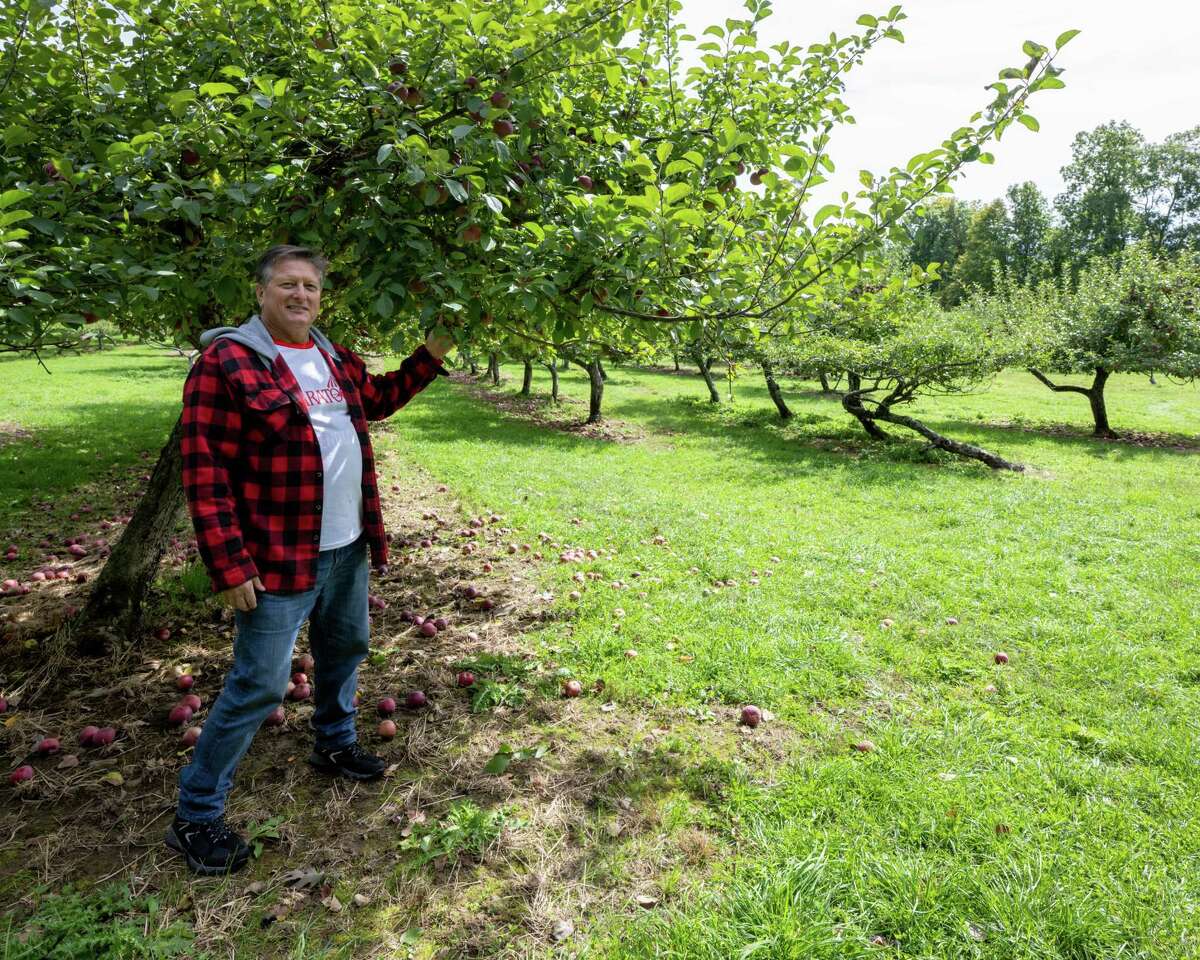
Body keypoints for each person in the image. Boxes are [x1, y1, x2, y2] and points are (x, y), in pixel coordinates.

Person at [166, 245, 453, 875]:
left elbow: (376, 399)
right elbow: (204, 466)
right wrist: (227, 562)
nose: (301, 296)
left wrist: (429, 356)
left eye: (312, 288)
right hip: (276, 554)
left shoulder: (329, 354)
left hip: (346, 544)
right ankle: (197, 811)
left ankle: (334, 742)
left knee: (346, 647)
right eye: (288, 285)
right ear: (262, 291)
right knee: (260, 684)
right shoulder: (226, 362)